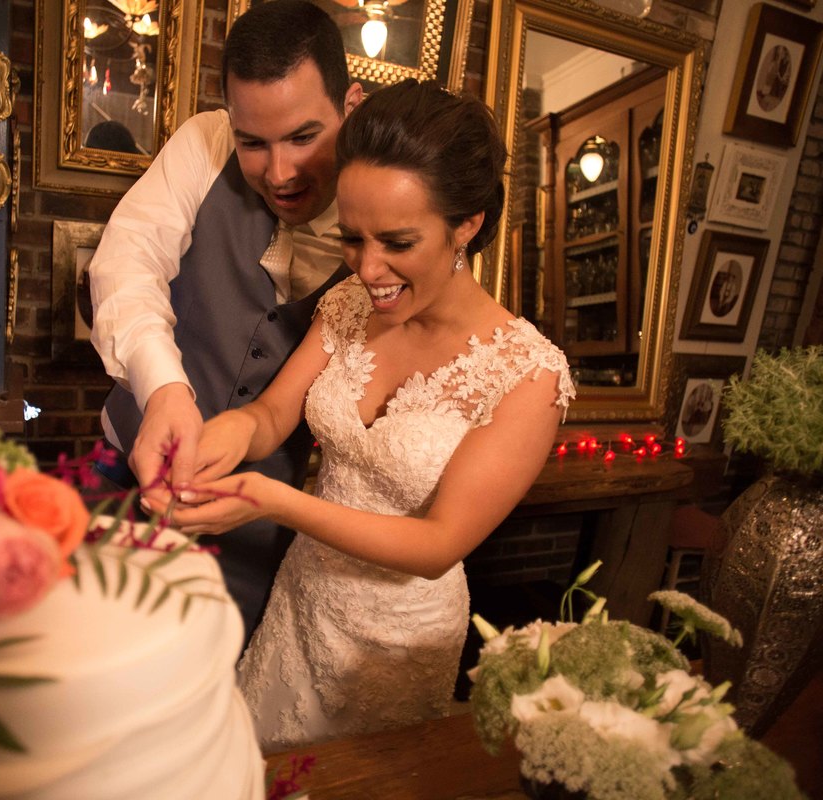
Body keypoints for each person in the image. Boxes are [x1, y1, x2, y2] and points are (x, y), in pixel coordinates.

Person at [166, 80, 575, 751]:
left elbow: (438, 545)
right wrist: (224, 431)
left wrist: (271, 500)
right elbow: (272, 413)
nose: (369, 268)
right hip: (303, 602)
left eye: (398, 241)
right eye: (352, 238)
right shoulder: (349, 304)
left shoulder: (529, 375)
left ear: (467, 224)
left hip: (396, 643)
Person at [88, 0, 363, 641]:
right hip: (125, 461)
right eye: (253, 143)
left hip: (256, 516)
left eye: (303, 137)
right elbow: (127, 262)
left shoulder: (384, 202)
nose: (280, 173)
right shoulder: (203, 143)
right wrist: (163, 390)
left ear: (351, 106)